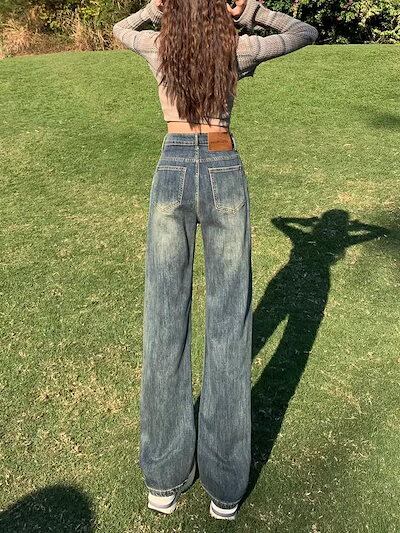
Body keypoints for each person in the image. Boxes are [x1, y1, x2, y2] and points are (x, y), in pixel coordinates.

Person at [112, 0, 318, 520]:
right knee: (229, 323)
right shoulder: (235, 49)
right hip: (223, 165)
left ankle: (164, 478)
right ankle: (225, 486)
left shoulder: (159, 46)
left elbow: (119, 29)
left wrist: (151, 9)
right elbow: (303, 31)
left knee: (165, 320)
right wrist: (252, 10)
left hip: (172, 165)